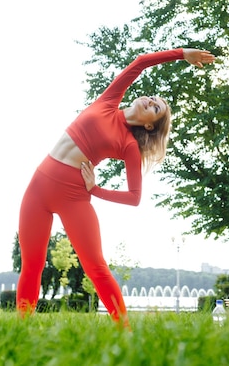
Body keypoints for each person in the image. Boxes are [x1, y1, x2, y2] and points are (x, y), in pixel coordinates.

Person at [16, 47, 215, 327]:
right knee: (32, 264)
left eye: (156, 108)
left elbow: (134, 197)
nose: (150, 100)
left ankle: (125, 329)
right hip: (38, 187)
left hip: (74, 196)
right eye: (153, 98)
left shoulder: (130, 145)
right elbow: (141, 63)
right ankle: (20, 327)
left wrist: (95, 189)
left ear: (149, 126)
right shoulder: (109, 101)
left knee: (95, 267)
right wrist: (182, 54)